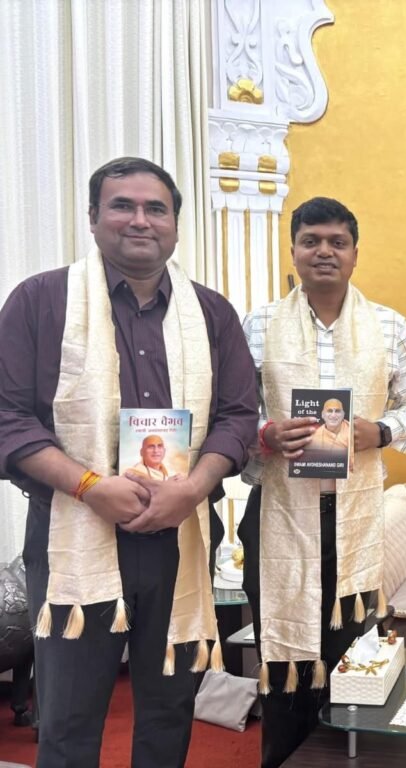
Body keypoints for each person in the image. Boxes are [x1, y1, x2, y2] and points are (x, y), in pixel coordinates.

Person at [0, 156, 258, 768]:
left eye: (155, 209)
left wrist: (193, 487)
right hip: (73, 532)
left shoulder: (211, 313)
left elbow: (238, 416)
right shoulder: (41, 300)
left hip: (179, 536)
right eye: (123, 206)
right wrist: (91, 486)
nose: (140, 220)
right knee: (69, 715)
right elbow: (8, 416)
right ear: (93, 218)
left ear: (175, 224)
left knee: (170, 708)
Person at [240, 196, 406, 768]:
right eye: (311, 241)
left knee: (351, 656)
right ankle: (282, 758)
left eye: (337, 242)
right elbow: (233, 412)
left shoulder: (389, 325)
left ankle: (347, 758)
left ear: (354, 253)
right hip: (277, 513)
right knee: (283, 656)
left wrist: (382, 430)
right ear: (294, 250)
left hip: (355, 519)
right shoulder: (260, 324)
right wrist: (266, 433)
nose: (324, 251)